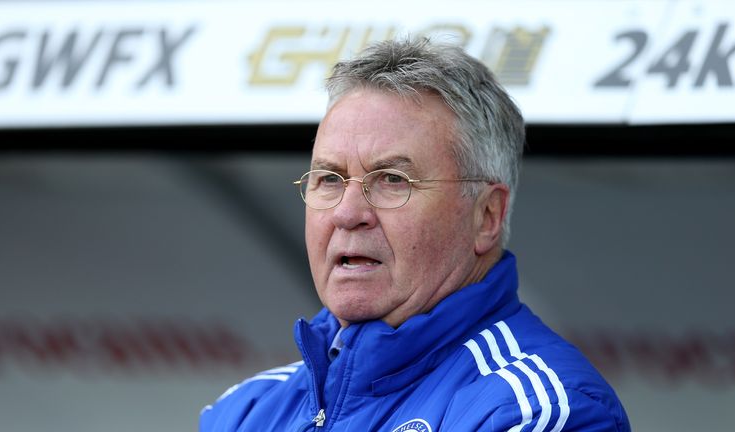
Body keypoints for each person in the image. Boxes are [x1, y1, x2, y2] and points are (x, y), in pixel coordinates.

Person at [200, 38, 630, 432]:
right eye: (329, 179)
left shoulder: (539, 412)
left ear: (487, 216)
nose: (348, 214)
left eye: (391, 179)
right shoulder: (243, 412)